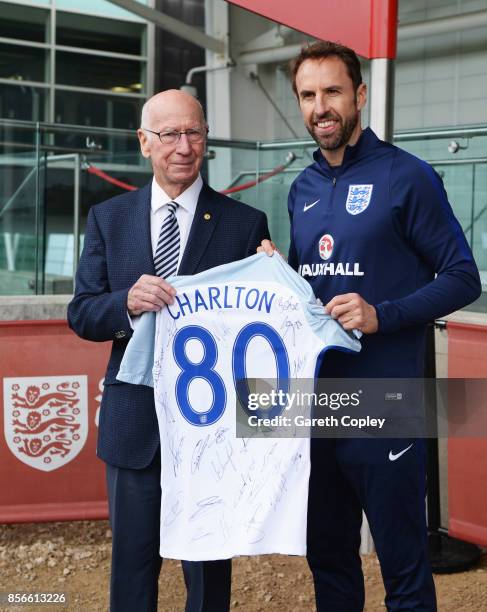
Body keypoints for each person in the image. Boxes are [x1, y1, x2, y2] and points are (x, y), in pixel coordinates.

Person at [260, 41, 481, 611]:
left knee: (403, 568)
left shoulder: (408, 176)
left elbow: (462, 277)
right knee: (329, 559)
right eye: (308, 96)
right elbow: (315, 294)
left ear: (358, 96)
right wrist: (281, 279)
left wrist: (384, 315)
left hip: (387, 399)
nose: (320, 106)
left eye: (332, 91)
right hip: (314, 405)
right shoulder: (301, 188)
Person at [68, 89, 270, 612]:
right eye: (169, 134)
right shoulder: (108, 219)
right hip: (134, 424)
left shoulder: (245, 224)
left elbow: (265, 325)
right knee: (133, 570)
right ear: (144, 142)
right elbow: (82, 312)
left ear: (206, 138)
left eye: (195, 133)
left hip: (214, 430)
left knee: (209, 576)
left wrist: (275, 277)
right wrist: (126, 304)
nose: (184, 146)